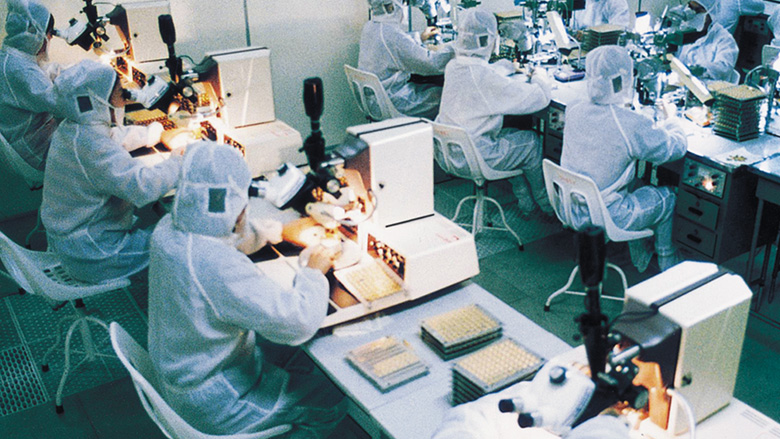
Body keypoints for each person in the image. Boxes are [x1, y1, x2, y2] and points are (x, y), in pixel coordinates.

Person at [147, 141, 346, 437]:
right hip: (219, 403)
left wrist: (278, 231)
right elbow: (298, 322)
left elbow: (220, 234)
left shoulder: (168, 228)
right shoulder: (217, 265)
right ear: (240, 209)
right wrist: (313, 271)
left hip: (183, 378)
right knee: (331, 400)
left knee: (288, 354)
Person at [41, 60, 182, 283]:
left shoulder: (72, 128)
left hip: (75, 244)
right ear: (98, 99)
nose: (124, 98)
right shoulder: (93, 145)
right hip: (97, 255)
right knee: (181, 238)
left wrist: (153, 133)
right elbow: (144, 186)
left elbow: (113, 138)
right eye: (119, 93)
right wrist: (181, 161)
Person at [560, 46, 687, 272]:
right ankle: (667, 263)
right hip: (610, 216)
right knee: (668, 197)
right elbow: (673, 149)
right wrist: (672, 119)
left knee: (637, 185)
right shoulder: (628, 123)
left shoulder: (574, 107)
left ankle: (640, 257)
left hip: (571, 208)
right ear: (623, 80)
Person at [436, 9, 553, 216]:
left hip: (450, 153)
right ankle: (546, 205)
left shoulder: (454, 66)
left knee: (510, 138)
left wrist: (507, 66)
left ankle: (525, 202)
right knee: (530, 142)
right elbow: (540, 97)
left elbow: (483, 74)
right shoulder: (484, 78)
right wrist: (539, 75)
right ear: (487, 40)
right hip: (478, 156)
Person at [358, 0, 454, 119]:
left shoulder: (371, 26)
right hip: (394, 102)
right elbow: (431, 63)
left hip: (377, 100)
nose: (404, 6)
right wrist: (457, 46)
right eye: (402, 2)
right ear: (391, 7)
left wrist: (420, 37)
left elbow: (397, 45)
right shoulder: (391, 35)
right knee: (449, 97)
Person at [0, 0, 61, 172]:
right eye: (49, 35)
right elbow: (62, 105)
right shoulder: (21, 71)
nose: (49, 40)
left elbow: (42, 73)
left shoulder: (10, 57)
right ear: (35, 34)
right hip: (35, 153)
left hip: (21, 142)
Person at [676, 0, 740, 82]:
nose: (693, 14)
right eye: (690, 7)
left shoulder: (725, 40)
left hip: (706, 86)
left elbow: (724, 68)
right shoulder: (684, 31)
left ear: (711, 12)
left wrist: (700, 69)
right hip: (681, 82)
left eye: (698, 10)